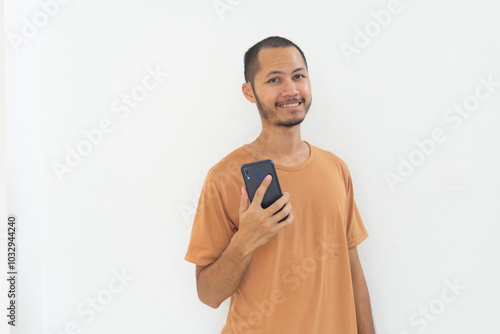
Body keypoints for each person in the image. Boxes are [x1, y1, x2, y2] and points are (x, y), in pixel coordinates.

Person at [185, 36, 375, 334]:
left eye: (299, 76)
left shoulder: (336, 169)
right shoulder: (224, 177)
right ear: (249, 92)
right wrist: (245, 240)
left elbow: (353, 270)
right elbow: (208, 295)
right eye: (274, 79)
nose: (291, 90)